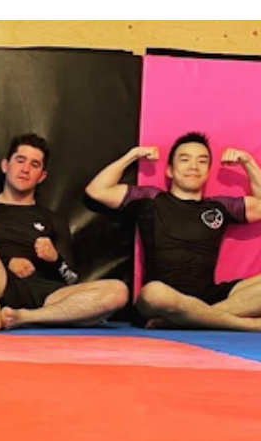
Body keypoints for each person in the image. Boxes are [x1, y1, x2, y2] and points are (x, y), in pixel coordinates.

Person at [85, 131, 261, 330]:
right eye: (185, 159)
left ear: (208, 171)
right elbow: (97, 190)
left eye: (202, 161)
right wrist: (133, 155)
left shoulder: (220, 206)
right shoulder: (151, 199)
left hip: (209, 296)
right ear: (170, 170)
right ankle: (244, 324)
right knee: (154, 293)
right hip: (161, 298)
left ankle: (184, 320)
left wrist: (248, 162)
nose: (194, 166)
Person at [0, 132, 129, 332]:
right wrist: (7, 261)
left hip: (46, 294)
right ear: (5, 166)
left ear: (42, 176)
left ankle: (24, 317)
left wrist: (55, 259)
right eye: (20, 160)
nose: (26, 169)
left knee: (118, 291)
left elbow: (71, 279)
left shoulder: (53, 218)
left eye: (35, 164)